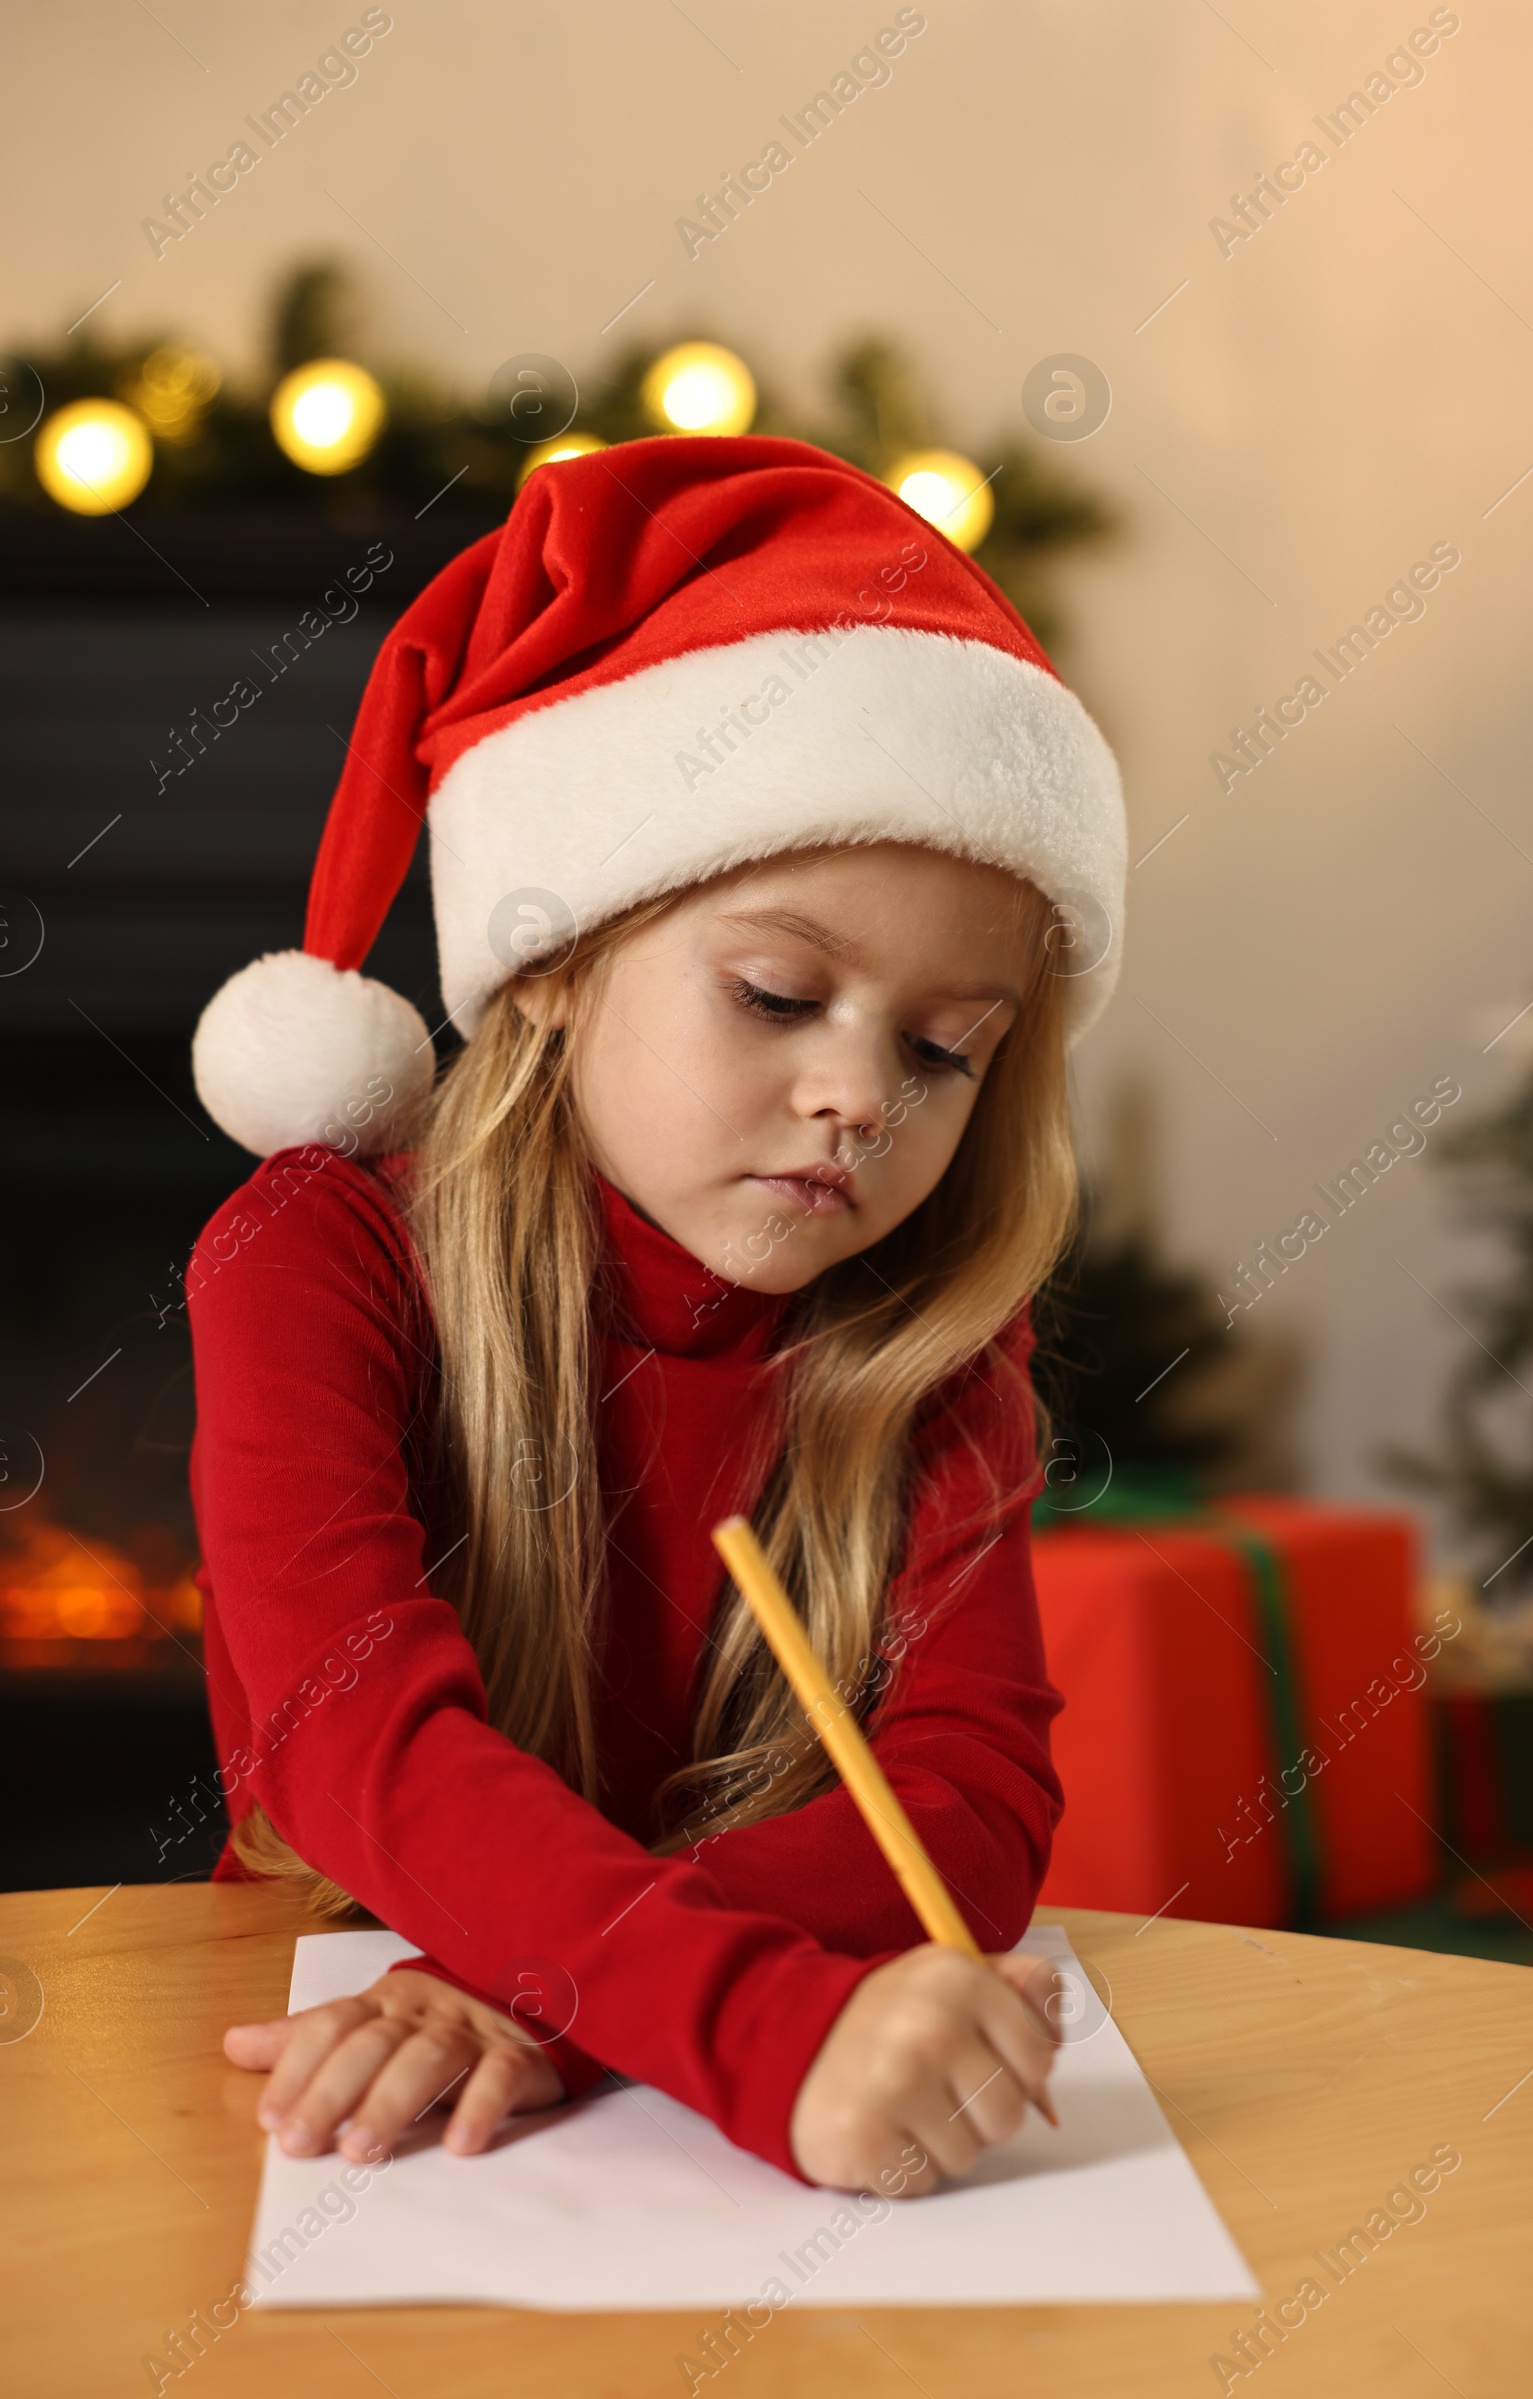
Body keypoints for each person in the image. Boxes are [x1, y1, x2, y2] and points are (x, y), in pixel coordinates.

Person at [187, 434, 1126, 2198]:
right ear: (550, 959)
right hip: (340, 2116)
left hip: (477, 2050)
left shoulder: (929, 1341)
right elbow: (348, 1726)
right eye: (778, 992)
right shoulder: (311, 1252)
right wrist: (758, 2031)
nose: (862, 1095)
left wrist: (527, 2001)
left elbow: (971, 1811)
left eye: (945, 1049)